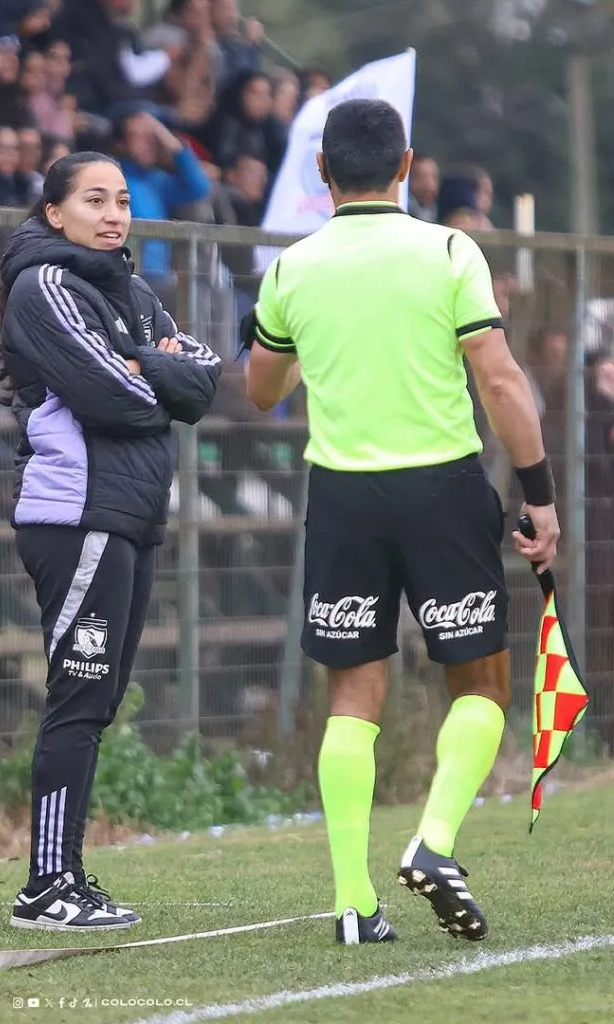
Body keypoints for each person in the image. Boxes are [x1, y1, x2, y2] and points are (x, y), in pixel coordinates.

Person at [240, 98, 560, 946]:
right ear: (408, 165)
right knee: (483, 685)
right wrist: (540, 494)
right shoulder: (450, 249)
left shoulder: (292, 267)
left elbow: (262, 391)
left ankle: (353, 904)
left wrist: (274, 342)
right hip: (441, 489)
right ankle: (434, 841)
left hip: (342, 494)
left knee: (354, 693)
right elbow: (498, 382)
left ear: (322, 173)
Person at [0, 152, 222, 930]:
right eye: (95, 200)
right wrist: (153, 374)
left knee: (98, 703)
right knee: (78, 698)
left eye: (122, 200)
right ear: (55, 212)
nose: (114, 214)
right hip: (76, 516)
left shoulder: (130, 289)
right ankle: (44, 887)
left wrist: (145, 364)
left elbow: (206, 380)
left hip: (130, 515)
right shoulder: (44, 286)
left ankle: (69, 874)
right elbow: (115, 398)